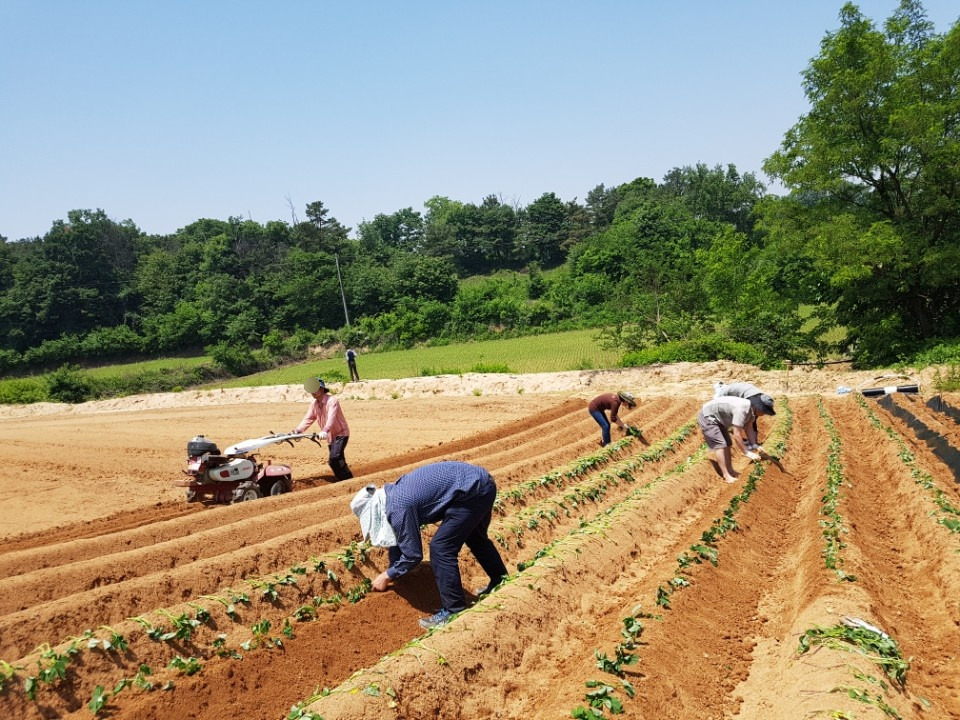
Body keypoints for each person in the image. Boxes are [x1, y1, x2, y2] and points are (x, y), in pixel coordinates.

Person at [350, 461, 508, 630]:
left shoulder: (398, 508)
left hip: (472, 492)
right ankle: (500, 580)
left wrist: (387, 575)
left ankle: (453, 610)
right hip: (481, 483)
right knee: (476, 538)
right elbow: (399, 538)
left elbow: (413, 555)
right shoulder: (393, 495)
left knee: (441, 548)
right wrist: (394, 570)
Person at [697, 394, 775, 483]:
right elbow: (737, 435)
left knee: (728, 443)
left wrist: (755, 445)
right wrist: (747, 453)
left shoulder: (752, 411)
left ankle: (730, 471)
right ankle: (726, 475)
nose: (764, 414)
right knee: (721, 445)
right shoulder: (742, 410)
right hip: (708, 416)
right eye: (764, 411)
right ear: (759, 407)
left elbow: (749, 428)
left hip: (719, 418)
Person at [291, 377, 353, 480]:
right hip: (330, 436)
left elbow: (331, 418)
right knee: (335, 461)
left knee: (335, 458)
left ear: (322, 388)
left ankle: (347, 479)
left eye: (315, 389)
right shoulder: (314, 404)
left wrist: (324, 430)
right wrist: (298, 431)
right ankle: (345, 480)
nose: (313, 392)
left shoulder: (332, 401)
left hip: (341, 433)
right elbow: (308, 418)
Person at [714, 381, 776, 446]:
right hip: (724, 396)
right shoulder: (748, 402)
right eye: (764, 411)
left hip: (736, 393)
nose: (764, 413)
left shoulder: (759, 400)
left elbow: (752, 421)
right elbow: (743, 419)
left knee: (750, 419)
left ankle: (752, 440)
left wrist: (754, 443)